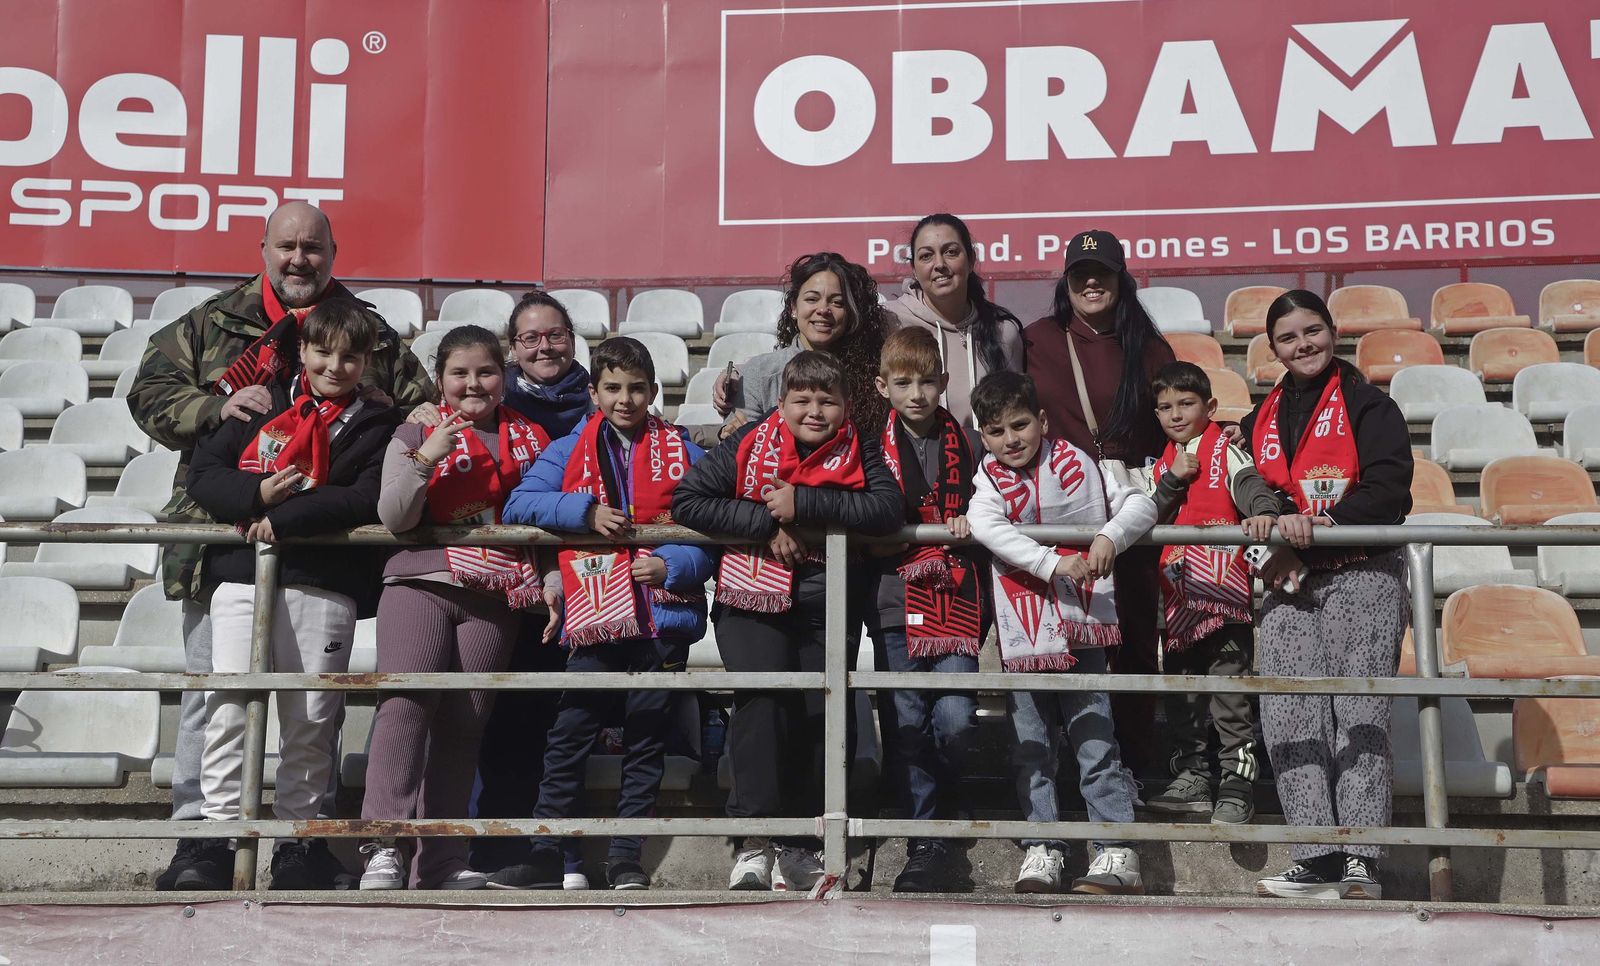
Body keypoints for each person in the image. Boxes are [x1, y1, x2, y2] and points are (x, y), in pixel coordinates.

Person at [127, 201, 433, 890]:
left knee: (312, 712)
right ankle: (202, 845)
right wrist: (215, 408)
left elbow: (419, 405)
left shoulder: (371, 332)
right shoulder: (212, 321)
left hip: (325, 556)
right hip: (223, 547)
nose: (300, 259)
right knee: (216, 702)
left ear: (333, 253)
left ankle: (303, 846)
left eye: (313, 248)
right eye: (287, 246)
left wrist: (409, 417)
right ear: (263, 248)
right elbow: (146, 392)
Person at [179, 303, 402, 889]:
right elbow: (205, 474)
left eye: (350, 356)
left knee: (311, 720)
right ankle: (217, 842)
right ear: (301, 351)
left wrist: (284, 516)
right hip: (241, 577)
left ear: (366, 361)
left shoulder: (381, 422)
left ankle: (297, 847)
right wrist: (258, 495)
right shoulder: (258, 402)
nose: (335, 366)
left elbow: (365, 496)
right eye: (323, 352)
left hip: (324, 584)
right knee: (229, 710)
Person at [672, 351, 902, 893]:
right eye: (802, 400)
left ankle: (800, 845)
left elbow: (887, 510)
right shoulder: (745, 443)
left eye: (827, 401)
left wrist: (805, 504)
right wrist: (765, 522)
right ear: (780, 404)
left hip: (828, 602)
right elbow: (688, 500)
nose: (814, 411)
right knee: (764, 705)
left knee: (819, 717)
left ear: (847, 406)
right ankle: (754, 841)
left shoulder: (863, 447)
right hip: (749, 602)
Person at [489, 337, 713, 890]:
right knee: (570, 734)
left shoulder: (684, 450)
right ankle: (547, 853)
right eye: (613, 388)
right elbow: (519, 503)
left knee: (646, 740)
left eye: (636, 388)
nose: (625, 399)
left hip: (662, 617)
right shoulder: (569, 448)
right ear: (593, 392)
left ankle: (625, 857)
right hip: (596, 615)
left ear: (654, 391)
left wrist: (674, 564)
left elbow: (716, 526)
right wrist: (585, 511)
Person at [408, 291, 597, 885]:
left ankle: (557, 849)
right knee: (501, 717)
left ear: (573, 339)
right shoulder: (490, 399)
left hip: (586, 580)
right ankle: (497, 848)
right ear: (513, 348)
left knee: (562, 719)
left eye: (556, 334)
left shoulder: (599, 397)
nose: (545, 346)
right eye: (530, 337)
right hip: (511, 582)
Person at [359, 325, 555, 891]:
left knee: (464, 727)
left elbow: (542, 518)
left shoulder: (533, 437)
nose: (473, 384)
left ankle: (441, 862)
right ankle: (384, 848)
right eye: (459, 373)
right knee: (405, 708)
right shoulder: (416, 428)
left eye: (485, 372)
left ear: (504, 375)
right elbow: (394, 517)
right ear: (440, 379)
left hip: (495, 595)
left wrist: (548, 577)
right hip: (420, 582)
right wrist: (425, 458)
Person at [1240, 291, 1412, 901]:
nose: (1303, 345)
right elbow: (1253, 491)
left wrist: (1314, 532)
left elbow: (1389, 492)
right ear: (1273, 348)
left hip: (1362, 574)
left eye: (1312, 331)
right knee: (1289, 714)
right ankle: (1316, 857)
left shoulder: (1371, 405)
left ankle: (1361, 858)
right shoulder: (1256, 419)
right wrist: (1277, 532)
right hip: (1286, 581)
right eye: (1288, 338)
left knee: (1359, 716)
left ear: (1333, 332)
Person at [966, 371, 1156, 896]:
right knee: (1031, 746)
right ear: (984, 437)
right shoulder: (986, 481)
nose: (1012, 439)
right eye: (997, 431)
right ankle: (1043, 846)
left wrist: (1109, 536)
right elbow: (985, 526)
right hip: (1024, 635)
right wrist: (1052, 563)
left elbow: (1142, 504)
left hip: (1084, 627)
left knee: (1095, 739)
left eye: (1020, 425)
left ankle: (1116, 849)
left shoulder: (1084, 462)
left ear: (1043, 421)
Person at [1021, 229, 1174, 778]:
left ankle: (1131, 767)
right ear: (1065, 282)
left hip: (1129, 511)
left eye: (1102, 273)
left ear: (1120, 279)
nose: (1091, 283)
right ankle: (1065, 772)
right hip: (1058, 512)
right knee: (1064, 641)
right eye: (1080, 274)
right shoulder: (1035, 340)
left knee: (1133, 639)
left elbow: (1174, 425)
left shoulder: (1150, 348)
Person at [864, 327, 984, 893]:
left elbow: (996, 500)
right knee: (907, 724)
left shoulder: (972, 443)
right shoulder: (869, 445)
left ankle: (947, 794)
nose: (917, 394)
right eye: (904, 383)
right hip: (893, 601)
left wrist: (974, 517)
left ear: (945, 382)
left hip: (957, 597)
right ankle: (924, 838)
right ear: (882, 387)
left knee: (956, 719)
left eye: (928, 382)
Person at [1141, 362, 1281, 825]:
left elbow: (1251, 486)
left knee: (1228, 695)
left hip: (1223, 599)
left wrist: (1263, 512)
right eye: (1166, 407)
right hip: (1176, 600)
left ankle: (1238, 783)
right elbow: (1147, 515)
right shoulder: (1160, 465)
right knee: (1182, 694)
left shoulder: (1227, 450)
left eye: (1186, 404)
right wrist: (1172, 479)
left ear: (1210, 407)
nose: (1176, 415)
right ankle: (1192, 776)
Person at [714, 252, 890, 440]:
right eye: (812, 299)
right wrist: (732, 436)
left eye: (837, 302)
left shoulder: (876, 376)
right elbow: (737, 443)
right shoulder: (759, 373)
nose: (823, 310)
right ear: (793, 308)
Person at [881, 213, 1025, 426]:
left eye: (951, 252)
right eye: (926, 256)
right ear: (914, 269)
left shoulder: (1003, 331)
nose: (939, 264)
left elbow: (1018, 414)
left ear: (971, 260)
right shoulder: (888, 322)